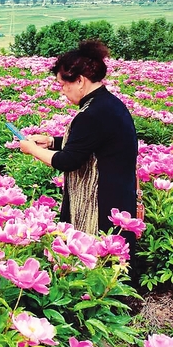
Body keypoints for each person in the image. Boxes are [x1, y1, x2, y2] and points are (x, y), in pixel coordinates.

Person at [18, 40, 139, 264]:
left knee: (98, 258)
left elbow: (68, 161)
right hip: (119, 190)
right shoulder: (108, 103)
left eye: (63, 85)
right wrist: (50, 141)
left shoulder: (91, 114)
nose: (63, 91)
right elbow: (90, 143)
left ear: (80, 81)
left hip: (100, 197)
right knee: (114, 254)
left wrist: (32, 149)